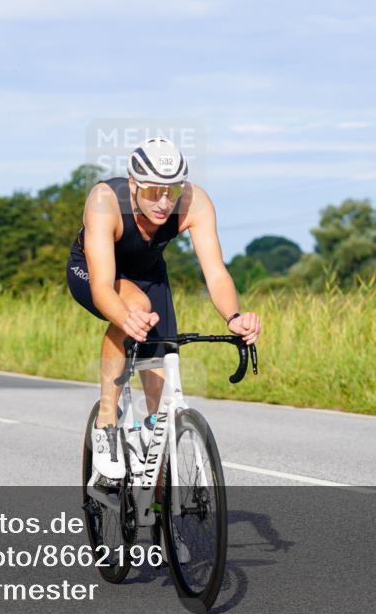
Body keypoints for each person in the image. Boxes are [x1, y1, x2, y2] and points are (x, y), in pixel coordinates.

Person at [67, 137, 262, 480]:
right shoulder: (104, 201)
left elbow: (215, 272)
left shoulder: (195, 203)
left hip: (149, 273)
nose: (164, 202)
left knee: (160, 395)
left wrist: (234, 316)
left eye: (172, 191)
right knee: (136, 308)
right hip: (93, 271)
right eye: (154, 191)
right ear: (133, 184)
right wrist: (125, 317)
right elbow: (102, 288)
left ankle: (151, 475)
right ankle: (106, 423)